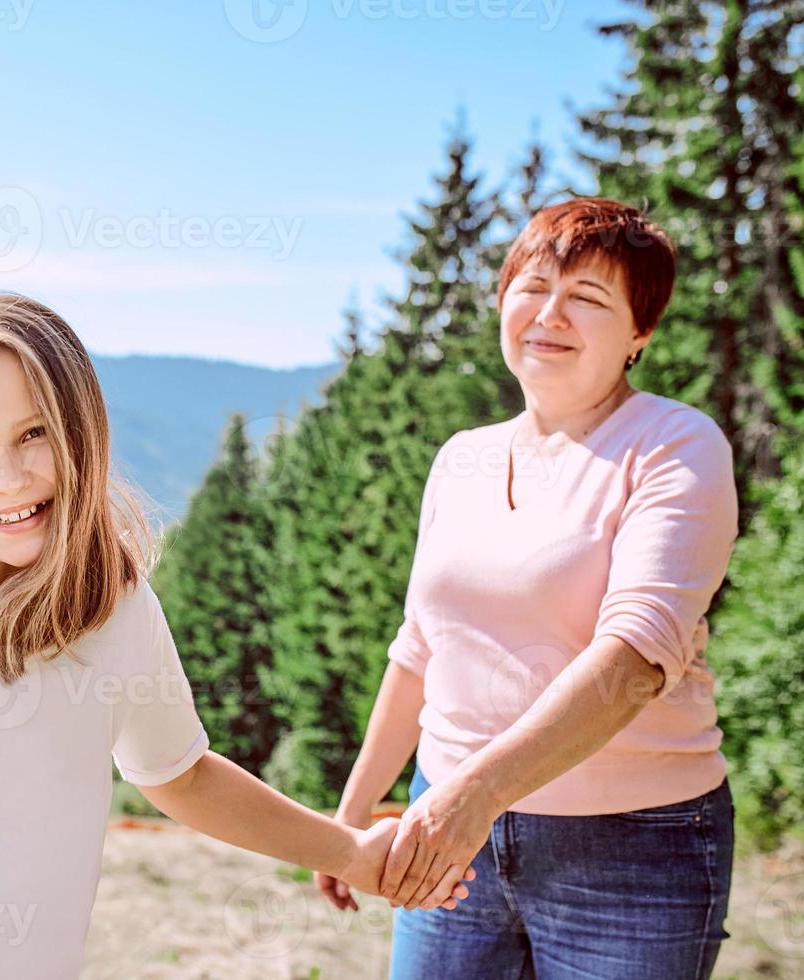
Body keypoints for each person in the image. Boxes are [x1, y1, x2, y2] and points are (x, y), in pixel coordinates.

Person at [0, 292, 475, 979]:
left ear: (82, 435)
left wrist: (349, 852)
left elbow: (181, 774)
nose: (9, 478)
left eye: (34, 434)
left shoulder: (111, 602)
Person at [316, 197, 740, 979]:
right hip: (447, 837)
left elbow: (635, 658)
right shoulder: (461, 457)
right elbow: (420, 649)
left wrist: (465, 802)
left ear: (639, 334)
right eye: (532, 286)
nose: (550, 313)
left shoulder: (675, 445)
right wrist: (353, 812)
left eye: (587, 298)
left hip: (631, 849)